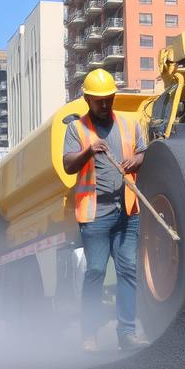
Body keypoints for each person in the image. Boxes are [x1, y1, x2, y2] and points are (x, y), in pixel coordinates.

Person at [63, 69, 150, 352]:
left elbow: (143, 153)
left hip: (127, 210)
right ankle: (89, 334)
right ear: (87, 99)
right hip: (95, 214)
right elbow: (68, 165)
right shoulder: (76, 129)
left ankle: (127, 333)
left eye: (109, 99)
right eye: (99, 100)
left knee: (128, 270)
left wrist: (136, 161)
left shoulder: (130, 124)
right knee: (96, 271)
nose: (104, 105)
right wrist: (88, 151)